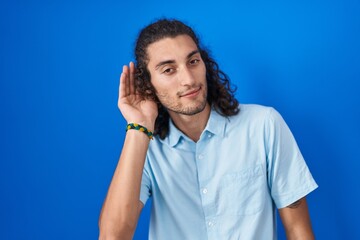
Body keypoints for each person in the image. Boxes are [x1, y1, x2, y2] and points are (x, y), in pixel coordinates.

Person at [98, 19, 318, 240]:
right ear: (148, 84)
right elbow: (112, 236)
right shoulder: (146, 146)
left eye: (193, 61)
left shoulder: (263, 125)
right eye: (169, 70)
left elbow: (299, 230)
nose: (188, 79)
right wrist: (138, 127)